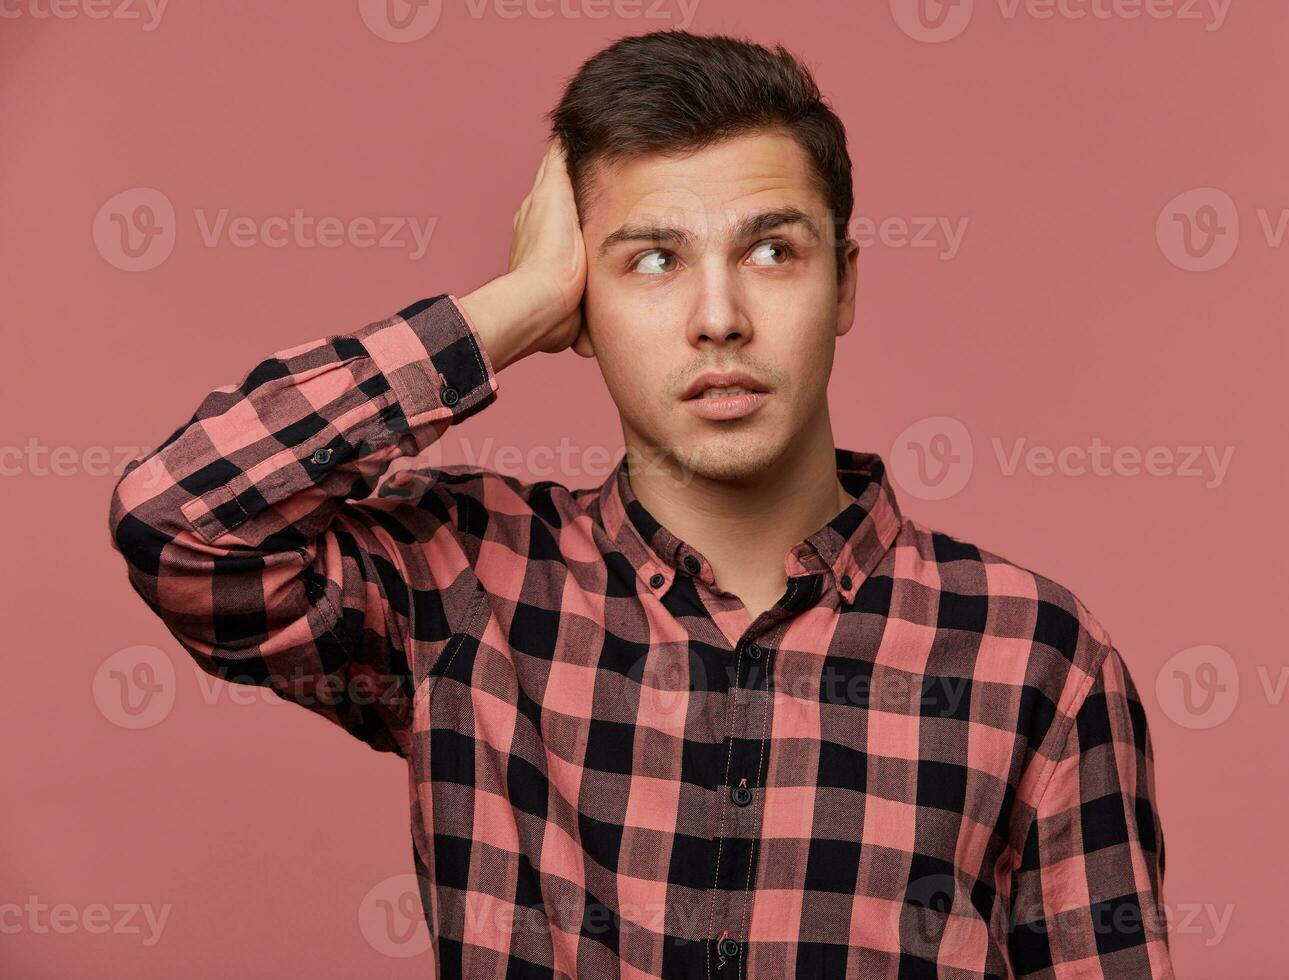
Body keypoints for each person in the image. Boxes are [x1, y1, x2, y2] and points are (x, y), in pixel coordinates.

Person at [107, 29, 1174, 980]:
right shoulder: (467, 583)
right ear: (580, 298)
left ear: (844, 283)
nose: (719, 317)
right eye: (653, 260)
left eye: (772, 250)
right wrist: (508, 310)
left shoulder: (1035, 654)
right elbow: (183, 518)